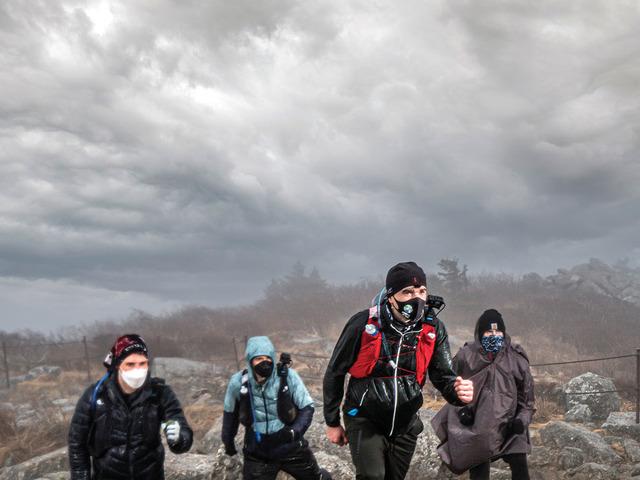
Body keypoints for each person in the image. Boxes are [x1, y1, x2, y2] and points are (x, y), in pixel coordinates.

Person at [323, 261, 474, 480]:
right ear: (391, 296)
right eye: (407, 292)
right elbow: (335, 372)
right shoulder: (362, 324)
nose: (417, 298)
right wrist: (332, 422)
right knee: (372, 476)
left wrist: (459, 394)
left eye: (422, 291)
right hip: (365, 418)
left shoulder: (433, 328)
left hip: (406, 423)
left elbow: (443, 376)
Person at [68, 334, 193, 480]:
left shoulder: (160, 393)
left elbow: (183, 434)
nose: (137, 370)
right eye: (130, 364)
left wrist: (179, 438)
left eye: (143, 363)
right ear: (117, 365)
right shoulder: (95, 395)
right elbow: (77, 443)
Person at [431, 309, 535, 479]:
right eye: (489, 331)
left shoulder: (516, 358)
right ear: (480, 333)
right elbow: (451, 386)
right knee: (478, 469)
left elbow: (528, 400)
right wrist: (461, 410)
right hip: (477, 423)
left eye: (498, 331)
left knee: (520, 467)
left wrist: (521, 421)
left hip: (511, 424)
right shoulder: (466, 356)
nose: (494, 335)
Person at [221, 335, 331, 480]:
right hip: (258, 453)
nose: (264, 362)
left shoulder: (288, 377)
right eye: (259, 359)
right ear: (250, 361)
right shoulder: (238, 382)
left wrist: (294, 432)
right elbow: (230, 415)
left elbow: (307, 407)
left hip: (291, 447)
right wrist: (228, 444)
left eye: (268, 358)